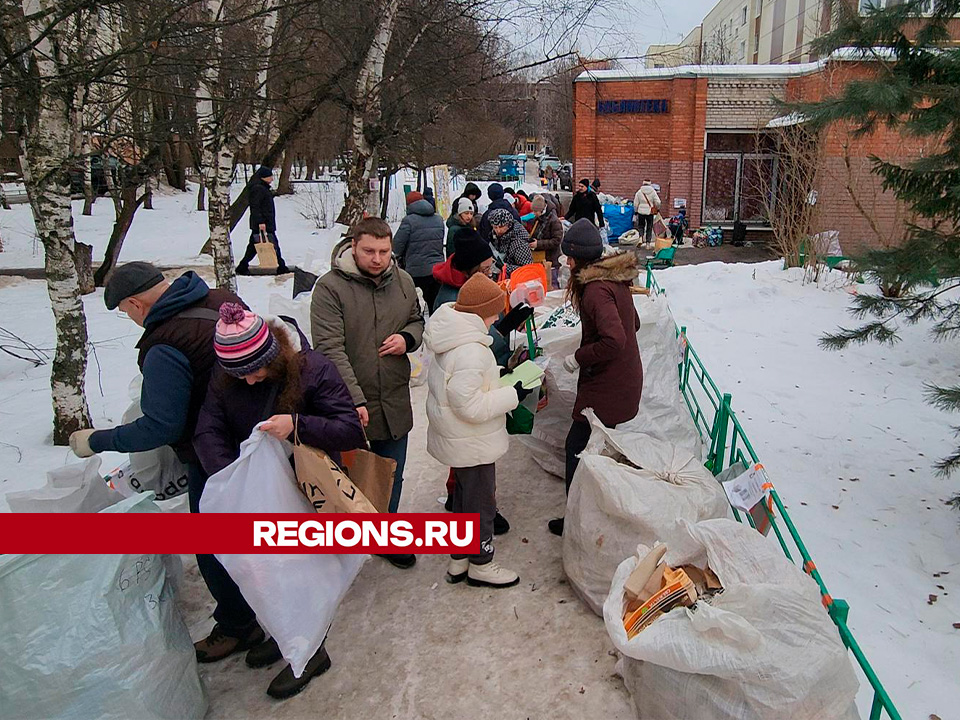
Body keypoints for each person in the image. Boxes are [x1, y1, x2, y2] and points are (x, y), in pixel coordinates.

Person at [67, 262, 263, 664]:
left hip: (212, 457)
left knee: (213, 547)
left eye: (125, 311)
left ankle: (239, 625)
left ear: (137, 303)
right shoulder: (222, 300)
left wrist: (97, 441)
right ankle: (269, 612)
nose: (130, 318)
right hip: (258, 441)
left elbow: (161, 424)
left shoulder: (165, 345)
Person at [194, 303, 366, 699]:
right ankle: (284, 632)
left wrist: (298, 426)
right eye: (240, 375)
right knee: (267, 573)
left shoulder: (313, 370)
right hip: (257, 494)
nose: (250, 381)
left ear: (274, 356)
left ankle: (310, 652)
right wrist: (232, 477)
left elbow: (349, 429)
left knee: (304, 573)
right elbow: (209, 428)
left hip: (307, 491)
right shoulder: (227, 378)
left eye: (255, 371)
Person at [310, 217, 425, 568]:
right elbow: (330, 348)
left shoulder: (403, 282)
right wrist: (352, 399)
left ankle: (386, 537)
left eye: (384, 251)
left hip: (392, 397)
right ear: (353, 247)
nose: (377, 259)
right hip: (347, 402)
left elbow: (418, 321)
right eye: (369, 251)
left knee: (391, 471)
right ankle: (347, 537)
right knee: (349, 475)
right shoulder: (330, 288)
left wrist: (407, 338)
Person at [424, 273, 529, 588]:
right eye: (495, 311)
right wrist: (514, 395)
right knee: (481, 503)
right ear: (482, 311)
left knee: (463, 499)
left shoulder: (453, 337)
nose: (498, 317)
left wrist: (499, 374)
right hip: (472, 440)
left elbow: (464, 383)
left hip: (459, 440)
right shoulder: (471, 349)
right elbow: (469, 405)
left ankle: (459, 559)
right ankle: (482, 563)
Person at [547, 220, 642, 536]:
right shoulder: (614, 280)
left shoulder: (595, 290)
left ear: (578, 258)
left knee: (578, 448)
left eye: (569, 258)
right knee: (591, 448)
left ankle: (578, 523)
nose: (567, 263)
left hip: (607, 386)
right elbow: (634, 324)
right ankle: (592, 514)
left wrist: (579, 357)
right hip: (621, 380)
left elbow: (615, 339)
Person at [394, 190, 445, 312]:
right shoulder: (438, 219)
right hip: (437, 269)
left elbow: (397, 246)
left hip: (416, 271)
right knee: (435, 306)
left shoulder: (408, 221)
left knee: (415, 306)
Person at [237, 165, 289, 275]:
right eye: (270, 176)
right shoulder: (258, 189)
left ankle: (242, 266)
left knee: (254, 246)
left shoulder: (262, 188)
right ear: (263, 177)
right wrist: (260, 222)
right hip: (262, 223)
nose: (272, 178)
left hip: (264, 223)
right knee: (272, 244)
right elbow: (256, 207)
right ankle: (281, 266)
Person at [528, 195, 563, 288]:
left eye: (536, 211)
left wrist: (538, 244)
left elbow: (556, 241)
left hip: (551, 259)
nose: (534, 213)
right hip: (542, 258)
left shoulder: (554, 221)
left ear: (542, 209)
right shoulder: (538, 219)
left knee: (552, 283)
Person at [488, 208, 534, 277]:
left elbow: (527, 269)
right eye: (495, 227)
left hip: (516, 281)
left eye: (501, 227)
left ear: (508, 225)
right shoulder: (494, 237)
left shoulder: (519, 242)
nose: (498, 230)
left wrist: (504, 267)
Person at [633, 178, 662, 245]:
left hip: (641, 212)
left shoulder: (639, 192)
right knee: (649, 227)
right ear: (650, 184)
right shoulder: (653, 192)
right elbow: (658, 202)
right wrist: (657, 208)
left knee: (641, 226)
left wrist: (636, 211)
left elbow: (635, 203)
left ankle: (640, 238)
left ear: (643, 183)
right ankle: (648, 243)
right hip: (650, 212)